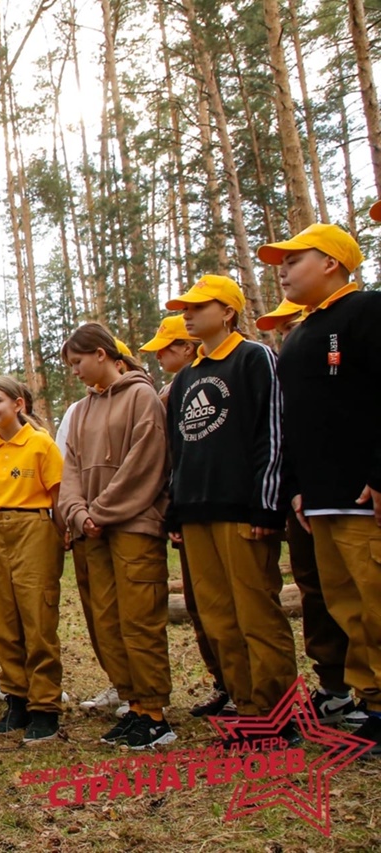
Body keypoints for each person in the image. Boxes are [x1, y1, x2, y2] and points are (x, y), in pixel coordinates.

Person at [260, 224, 381, 751]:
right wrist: (296, 486)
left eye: (294, 259)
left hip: (363, 495)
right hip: (321, 499)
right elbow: (293, 421)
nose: (282, 270)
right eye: (280, 262)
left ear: (332, 262)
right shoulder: (301, 334)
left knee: (377, 602)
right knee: (346, 606)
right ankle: (370, 702)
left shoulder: (367, 312)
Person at [164, 275, 299, 746]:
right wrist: (176, 511)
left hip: (243, 510)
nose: (187, 314)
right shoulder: (184, 378)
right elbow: (179, 449)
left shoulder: (254, 358)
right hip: (197, 515)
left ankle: (280, 714)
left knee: (256, 614)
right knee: (219, 618)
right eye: (185, 307)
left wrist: (267, 506)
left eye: (198, 306)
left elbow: (273, 431)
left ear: (227, 311)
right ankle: (247, 710)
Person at [58, 324, 176, 750]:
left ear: (103, 354)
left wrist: (101, 511)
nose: (74, 371)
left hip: (133, 527)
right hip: (93, 531)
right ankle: (132, 704)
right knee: (106, 621)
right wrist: (76, 513)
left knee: (139, 619)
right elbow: (69, 467)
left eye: (78, 361)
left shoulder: (142, 397)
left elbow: (145, 462)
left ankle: (154, 712)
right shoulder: (82, 409)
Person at [255, 292, 358, 727]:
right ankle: (334, 689)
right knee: (317, 593)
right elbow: (284, 438)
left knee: (361, 595)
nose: (286, 335)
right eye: (281, 330)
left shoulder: (347, 360)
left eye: (291, 325)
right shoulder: (283, 377)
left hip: (355, 497)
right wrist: (293, 489)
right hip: (305, 502)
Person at [139, 314, 229, 717]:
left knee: (228, 606)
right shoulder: (172, 390)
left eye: (167, 347)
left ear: (188, 347)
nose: (159, 355)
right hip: (187, 510)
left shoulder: (212, 379)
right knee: (200, 606)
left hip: (224, 506)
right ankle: (225, 685)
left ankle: (249, 694)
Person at [0, 375, 66, 745]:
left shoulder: (41, 445)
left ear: (18, 405)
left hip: (34, 528)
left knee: (37, 617)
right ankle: (17, 699)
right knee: (3, 617)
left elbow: (57, 495)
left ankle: (45, 706)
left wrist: (61, 536)